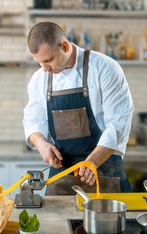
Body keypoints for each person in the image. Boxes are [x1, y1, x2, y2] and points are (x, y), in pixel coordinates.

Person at [23, 22, 134, 194]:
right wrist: (42, 144)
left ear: (65, 46)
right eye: (39, 63)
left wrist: (93, 161)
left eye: (48, 60)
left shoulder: (105, 68)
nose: (44, 69)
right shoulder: (40, 79)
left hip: (105, 174)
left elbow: (118, 125)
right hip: (61, 176)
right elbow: (33, 120)